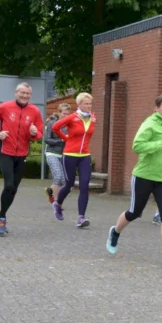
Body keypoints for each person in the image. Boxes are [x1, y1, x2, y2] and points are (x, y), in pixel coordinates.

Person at [106, 94, 162, 267]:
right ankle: (115, 232)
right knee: (135, 212)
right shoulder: (149, 124)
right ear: (156, 108)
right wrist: (161, 143)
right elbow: (137, 146)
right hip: (144, 175)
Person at [0, 82, 44, 236]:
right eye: (22, 93)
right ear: (16, 93)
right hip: (5, 151)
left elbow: (39, 134)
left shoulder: (35, 111)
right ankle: (3, 219)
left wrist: (34, 132)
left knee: (14, 189)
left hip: (22, 154)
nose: (25, 96)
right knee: (9, 185)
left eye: (28, 94)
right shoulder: (5, 107)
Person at [51, 93, 96, 228]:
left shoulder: (92, 118)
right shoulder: (72, 117)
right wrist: (66, 139)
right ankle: (57, 204)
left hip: (85, 155)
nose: (89, 106)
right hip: (70, 154)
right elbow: (55, 127)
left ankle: (81, 217)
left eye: (90, 104)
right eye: (86, 104)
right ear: (79, 104)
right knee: (69, 184)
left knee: (84, 185)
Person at [43, 102, 71, 204]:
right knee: (58, 176)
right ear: (59, 113)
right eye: (64, 113)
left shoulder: (70, 125)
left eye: (68, 114)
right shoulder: (51, 123)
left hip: (64, 155)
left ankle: (51, 192)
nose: (66, 116)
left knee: (64, 181)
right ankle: (56, 202)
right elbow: (47, 140)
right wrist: (61, 141)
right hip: (52, 153)